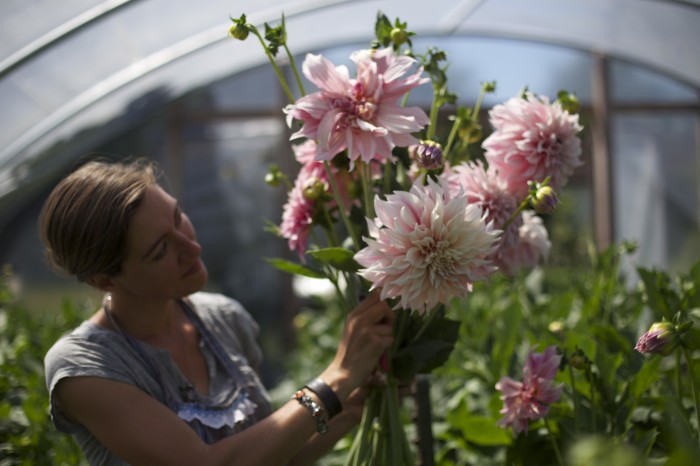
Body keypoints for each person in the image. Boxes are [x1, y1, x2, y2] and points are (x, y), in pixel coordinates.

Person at [41, 158, 394, 465]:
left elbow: (270, 455)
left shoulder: (224, 319)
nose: (192, 247)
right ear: (106, 281)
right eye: (160, 250)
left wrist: (353, 402)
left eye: (178, 217)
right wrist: (337, 376)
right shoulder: (85, 367)